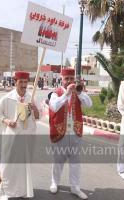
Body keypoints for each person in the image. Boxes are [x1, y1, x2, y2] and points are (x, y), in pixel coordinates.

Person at [49, 68, 92, 199]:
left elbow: (89, 104)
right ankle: (54, 182)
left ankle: (75, 187)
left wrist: (80, 93)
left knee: (75, 162)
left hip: (75, 131)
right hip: (60, 131)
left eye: (71, 79)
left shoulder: (78, 93)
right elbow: (54, 106)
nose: (69, 81)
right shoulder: (55, 93)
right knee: (58, 161)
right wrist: (66, 94)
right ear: (61, 79)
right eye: (66, 79)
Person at [0, 71, 40, 200]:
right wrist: (7, 121)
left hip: (27, 136)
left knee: (24, 164)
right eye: (21, 82)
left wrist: (35, 109)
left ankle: (23, 190)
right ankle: (6, 191)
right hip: (11, 137)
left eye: (25, 82)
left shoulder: (31, 98)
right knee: (8, 164)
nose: (23, 85)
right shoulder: (7, 98)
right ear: (15, 82)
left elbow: (38, 117)